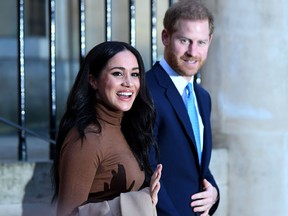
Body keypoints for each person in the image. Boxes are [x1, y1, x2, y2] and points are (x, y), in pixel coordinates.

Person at [51, 41, 162, 216]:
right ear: (93, 81)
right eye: (117, 73)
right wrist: (136, 202)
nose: (128, 83)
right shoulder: (87, 139)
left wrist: (146, 200)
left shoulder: (125, 127)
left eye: (135, 74)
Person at [146, 0, 219, 215]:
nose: (192, 51)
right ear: (166, 37)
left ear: (210, 41)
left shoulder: (202, 97)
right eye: (184, 40)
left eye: (201, 42)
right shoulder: (146, 91)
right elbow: (145, 171)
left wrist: (213, 194)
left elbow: (198, 165)